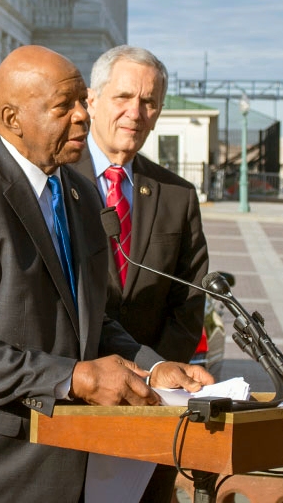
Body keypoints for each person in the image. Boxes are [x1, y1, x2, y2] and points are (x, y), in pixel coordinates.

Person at [0, 45, 213, 503]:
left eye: (80, 102)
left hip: (70, 465)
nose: (81, 117)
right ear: (12, 119)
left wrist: (153, 367)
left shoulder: (79, 195)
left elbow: (92, 321)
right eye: (62, 107)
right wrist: (75, 378)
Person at [71, 45, 210, 502]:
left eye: (149, 102)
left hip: (151, 409)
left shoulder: (177, 195)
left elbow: (189, 303)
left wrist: (152, 377)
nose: (136, 112)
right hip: (70, 402)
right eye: (124, 97)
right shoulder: (53, 179)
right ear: (92, 100)